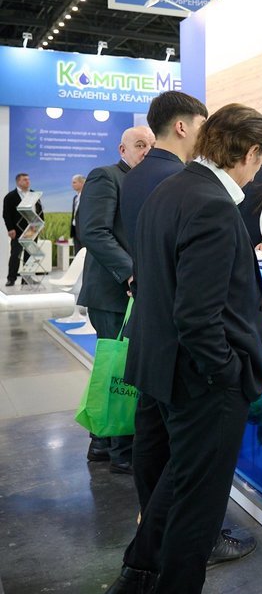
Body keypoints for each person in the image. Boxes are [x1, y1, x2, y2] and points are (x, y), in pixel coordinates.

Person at [100, 104, 262, 594]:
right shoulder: (212, 204)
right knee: (197, 509)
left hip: (161, 367)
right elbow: (198, 315)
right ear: (249, 152)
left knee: (174, 487)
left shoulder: (169, 188)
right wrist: (228, 372)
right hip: (201, 381)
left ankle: (136, 578)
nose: (260, 170)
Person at [119, 91, 253, 567]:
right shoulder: (188, 186)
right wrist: (226, 369)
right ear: (184, 126)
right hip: (186, 358)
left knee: (158, 455)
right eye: (201, 123)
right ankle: (171, 556)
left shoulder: (144, 177)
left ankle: (147, 558)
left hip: (153, 343)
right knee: (188, 473)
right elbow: (197, 307)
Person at [78, 125, 154, 474]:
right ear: (122, 149)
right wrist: (130, 272)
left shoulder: (147, 183)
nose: (146, 150)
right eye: (139, 145)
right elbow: (93, 231)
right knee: (121, 368)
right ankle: (121, 451)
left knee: (115, 365)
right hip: (112, 292)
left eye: (151, 145)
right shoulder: (106, 176)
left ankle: (100, 443)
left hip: (134, 292)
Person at [121, 91, 208, 261]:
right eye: (202, 126)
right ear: (181, 127)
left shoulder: (131, 176)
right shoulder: (186, 179)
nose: (205, 135)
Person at [3, 173, 44, 286]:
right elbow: (6, 214)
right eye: (25, 179)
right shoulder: (10, 196)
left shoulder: (34, 194)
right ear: (18, 182)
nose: (28, 181)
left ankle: (27, 279)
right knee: (15, 255)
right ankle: (11, 279)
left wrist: (41, 225)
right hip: (18, 230)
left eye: (28, 179)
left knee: (29, 255)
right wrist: (10, 228)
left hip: (33, 229)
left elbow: (39, 210)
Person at [70, 174, 85, 254]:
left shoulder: (87, 197)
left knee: (83, 253)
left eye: (74, 182)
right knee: (77, 253)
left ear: (81, 183)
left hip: (83, 230)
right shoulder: (75, 198)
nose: (72, 185)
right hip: (75, 230)